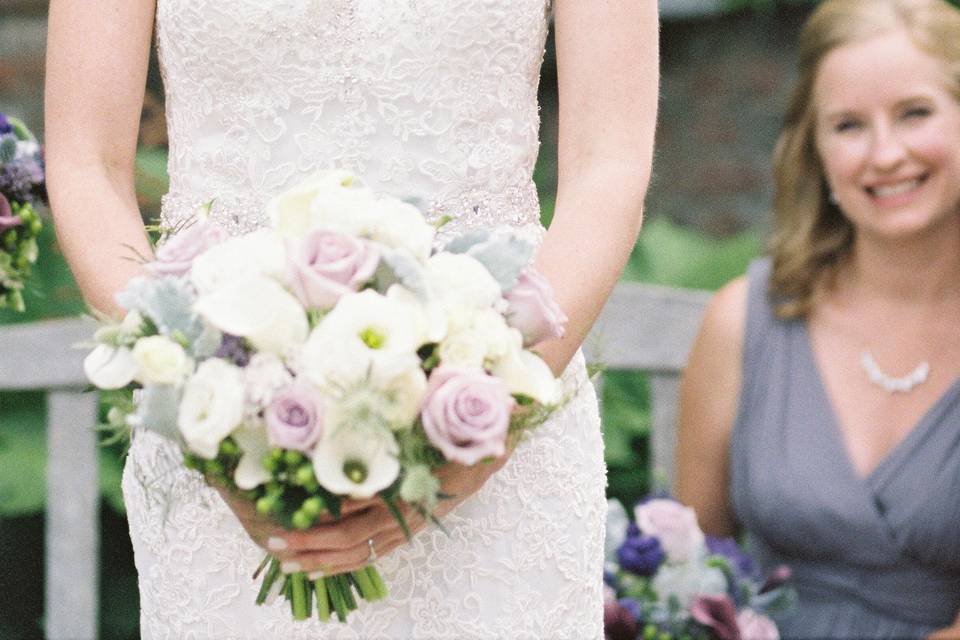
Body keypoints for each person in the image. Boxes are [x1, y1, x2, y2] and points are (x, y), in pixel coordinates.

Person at [44, 0, 658, 637]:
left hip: (495, 416)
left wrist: (493, 413)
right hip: (225, 408)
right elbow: (89, 164)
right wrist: (195, 397)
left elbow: (607, 164)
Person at [676, 0, 960, 636]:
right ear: (816, 148)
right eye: (849, 125)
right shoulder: (742, 322)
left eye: (915, 113)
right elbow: (687, 576)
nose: (884, 154)